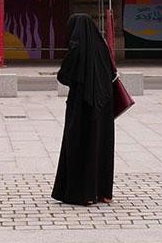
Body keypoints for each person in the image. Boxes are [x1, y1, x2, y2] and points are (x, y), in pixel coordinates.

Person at [52, 13, 116, 206]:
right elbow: (112, 73)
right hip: (103, 107)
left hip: (81, 107)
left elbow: (64, 77)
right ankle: (103, 193)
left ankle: (84, 194)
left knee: (80, 147)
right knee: (101, 147)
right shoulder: (102, 47)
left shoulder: (77, 49)